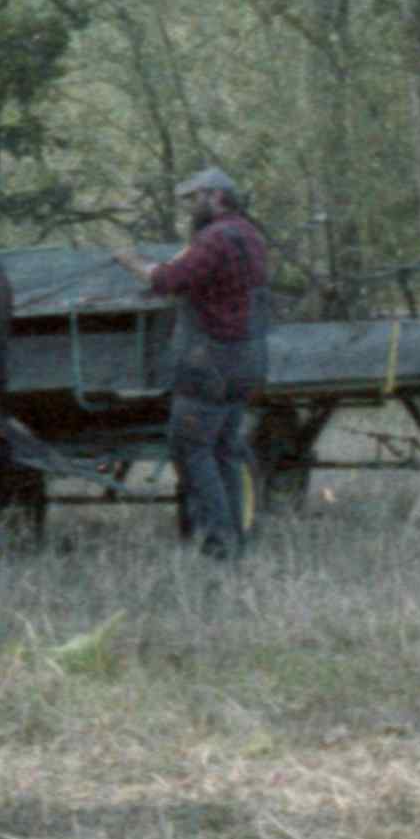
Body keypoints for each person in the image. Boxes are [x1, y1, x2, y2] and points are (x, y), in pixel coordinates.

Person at [118, 165, 267, 559]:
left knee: (192, 450)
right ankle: (235, 541)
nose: (189, 207)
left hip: (209, 361)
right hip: (244, 359)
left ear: (216, 196)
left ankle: (218, 543)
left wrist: (132, 262)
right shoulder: (251, 235)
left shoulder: (215, 238)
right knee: (225, 451)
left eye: (194, 198)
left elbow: (167, 281)